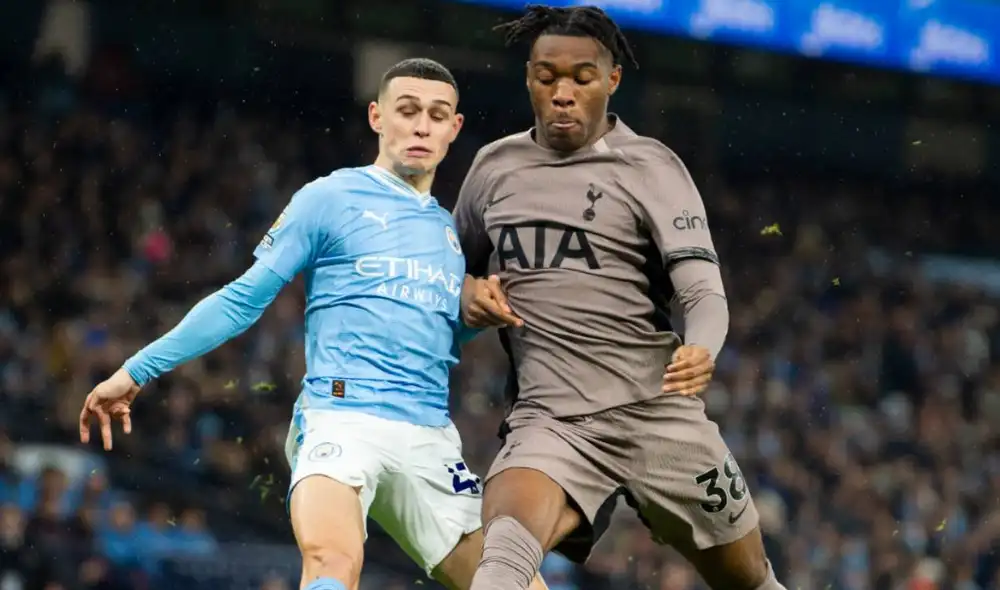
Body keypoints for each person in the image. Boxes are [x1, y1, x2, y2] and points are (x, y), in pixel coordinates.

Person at [79, 58, 547, 590]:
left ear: (454, 128)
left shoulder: (448, 232)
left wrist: (476, 319)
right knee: (333, 564)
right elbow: (241, 301)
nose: (422, 126)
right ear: (377, 117)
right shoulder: (330, 198)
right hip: (340, 417)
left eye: (437, 115)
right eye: (407, 110)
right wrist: (136, 370)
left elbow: (435, 335)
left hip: (429, 438)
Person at [453, 6, 787, 590]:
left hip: (660, 415)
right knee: (501, 557)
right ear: (528, 78)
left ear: (612, 80)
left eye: (581, 78)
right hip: (551, 422)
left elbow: (703, 291)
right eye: (546, 77)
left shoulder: (651, 167)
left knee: (749, 580)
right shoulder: (494, 169)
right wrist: (466, 294)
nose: (562, 93)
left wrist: (703, 348)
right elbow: (446, 273)